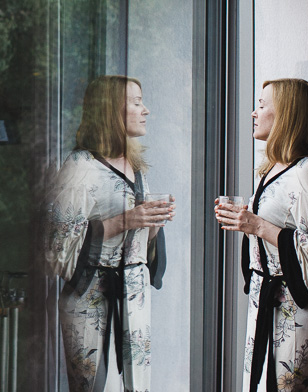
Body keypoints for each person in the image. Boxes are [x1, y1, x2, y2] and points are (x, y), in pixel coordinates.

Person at [46, 75, 174, 392]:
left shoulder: (137, 166)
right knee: (90, 387)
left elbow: (142, 247)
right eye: (136, 102)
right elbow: (57, 244)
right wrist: (125, 220)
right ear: (111, 111)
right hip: (90, 296)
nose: (146, 110)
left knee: (138, 386)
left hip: (134, 295)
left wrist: (153, 224)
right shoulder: (80, 166)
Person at [215, 78, 308, 392]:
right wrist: (246, 223)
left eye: (261, 105)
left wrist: (257, 226)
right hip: (264, 303)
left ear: (285, 114)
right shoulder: (272, 168)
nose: (254, 113)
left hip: (297, 311)